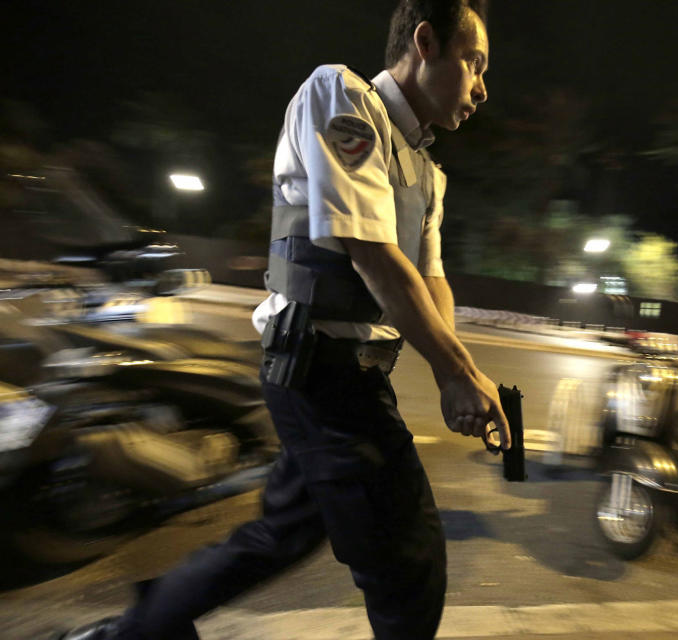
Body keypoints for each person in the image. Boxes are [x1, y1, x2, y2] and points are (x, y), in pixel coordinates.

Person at [55, 1, 505, 638]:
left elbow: (431, 281)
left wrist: (457, 372)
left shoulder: (428, 175)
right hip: (317, 371)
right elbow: (372, 255)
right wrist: (457, 372)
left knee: (278, 537)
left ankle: (130, 633)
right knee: (409, 567)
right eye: (474, 62)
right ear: (425, 43)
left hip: (351, 380)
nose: (482, 88)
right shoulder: (341, 97)